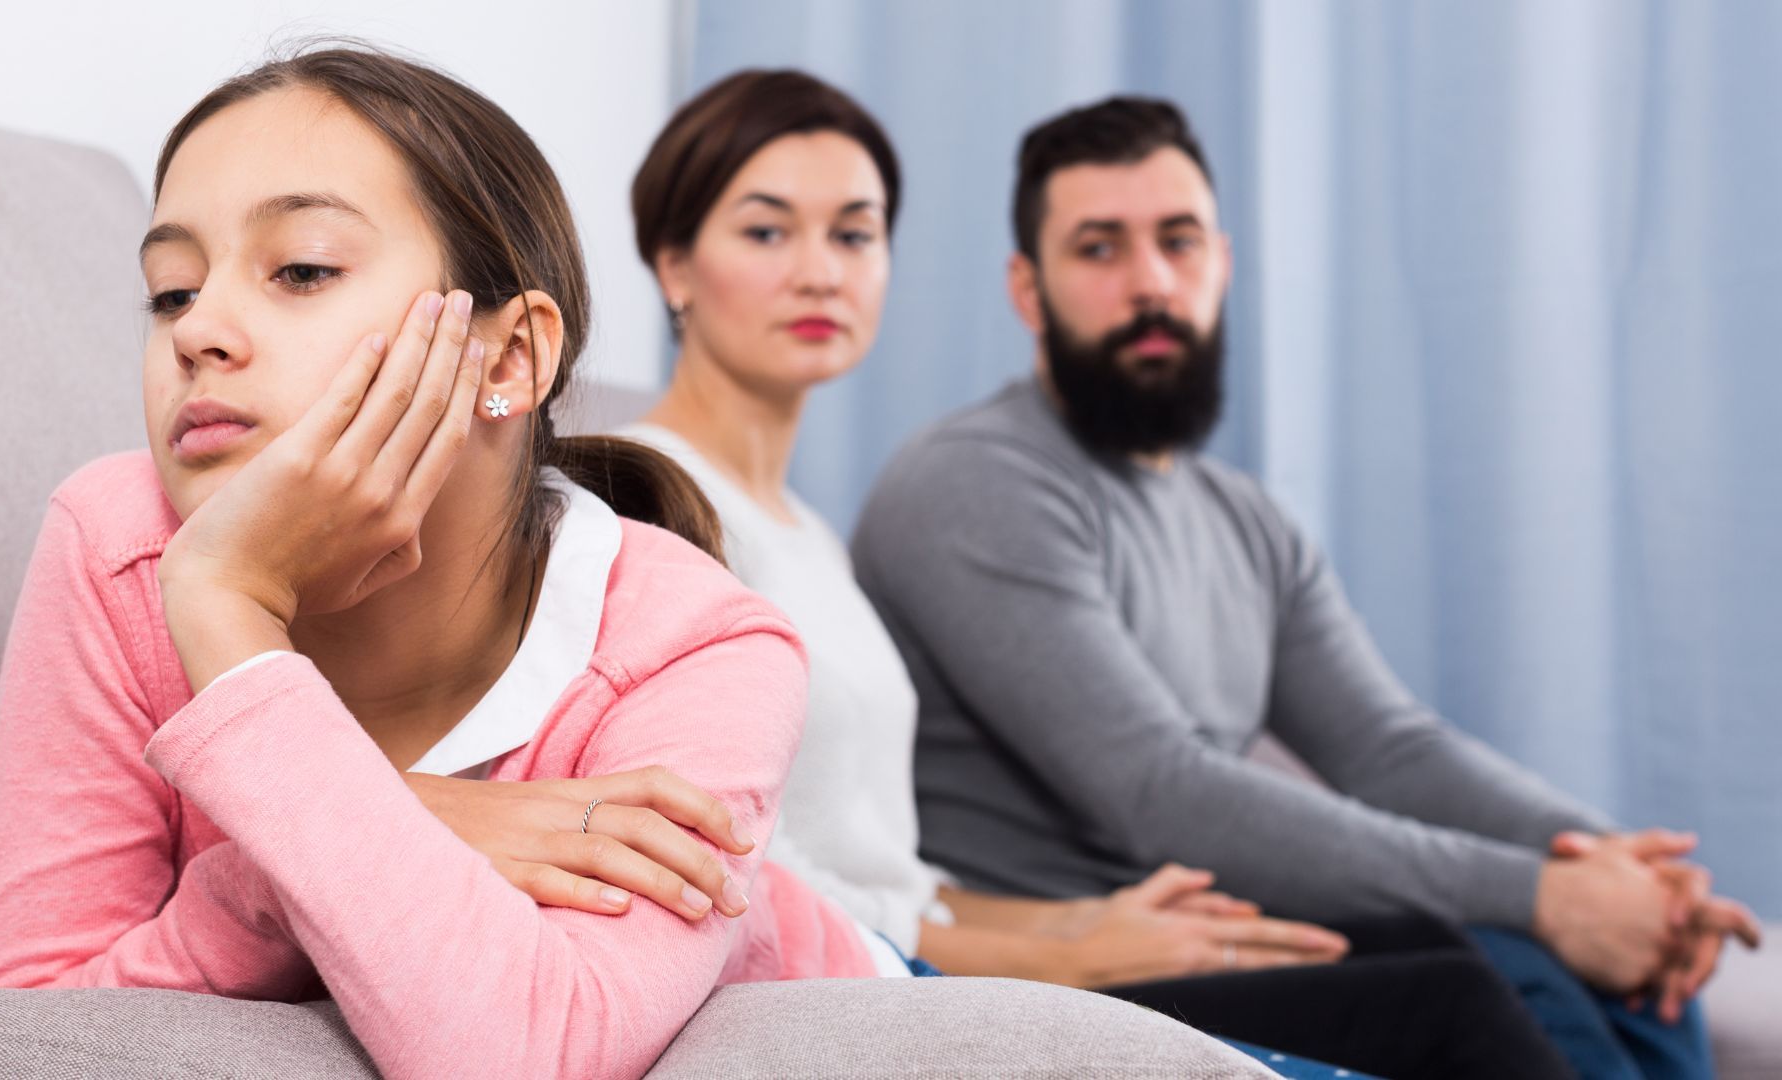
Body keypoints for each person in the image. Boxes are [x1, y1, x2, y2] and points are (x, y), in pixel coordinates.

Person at [617, 69, 1574, 1080]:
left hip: (917, 953)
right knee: (1447, 1008)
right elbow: (742, 873)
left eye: (854, 234)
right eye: (768, 233)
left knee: (1453, 962)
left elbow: (891, 870)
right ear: (674, 264)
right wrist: (1056, 952)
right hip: (841, 993)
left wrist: (1080, 925)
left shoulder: (809, 532)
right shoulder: (654, 502)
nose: (820, 273)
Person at [0, 47, 896, 1080]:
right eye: (171, 291)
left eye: (303, 269)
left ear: (508, 360)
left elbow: (529, 1055)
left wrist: (229, 610)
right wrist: (296, 870)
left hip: (882, 1001)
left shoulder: (702, 646)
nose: (201, 332)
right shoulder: (120, 546)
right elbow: (10, 1037)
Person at [849, 94, 1763, 1078]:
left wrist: (1618, 869)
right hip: (1085, 968)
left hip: (1226, 937)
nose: (1151, 282)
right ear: (1028, 291)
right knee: (1476, 975)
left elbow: (1389, 747)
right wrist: (1542, 895)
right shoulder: (973, 482)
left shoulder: (1248, 521)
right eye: (1099, 249)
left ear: (1223, 264)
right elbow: (1162, 793)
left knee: (1639, 985)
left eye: (1179, 241)